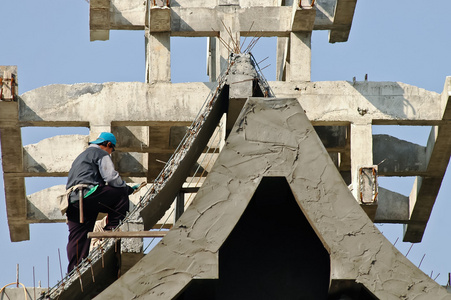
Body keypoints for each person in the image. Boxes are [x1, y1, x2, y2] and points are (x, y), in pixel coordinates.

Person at [65, 132, 136, 272]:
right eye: (112, 149)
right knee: (120, 193)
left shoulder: (81, 157)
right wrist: (127, 188)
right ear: (108, 144)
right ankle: (111, 230)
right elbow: (111, 178)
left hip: (72, 201)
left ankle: (74, 271)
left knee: (78, 238)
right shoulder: (100, 153)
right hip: (87, 195)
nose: (111, 152)